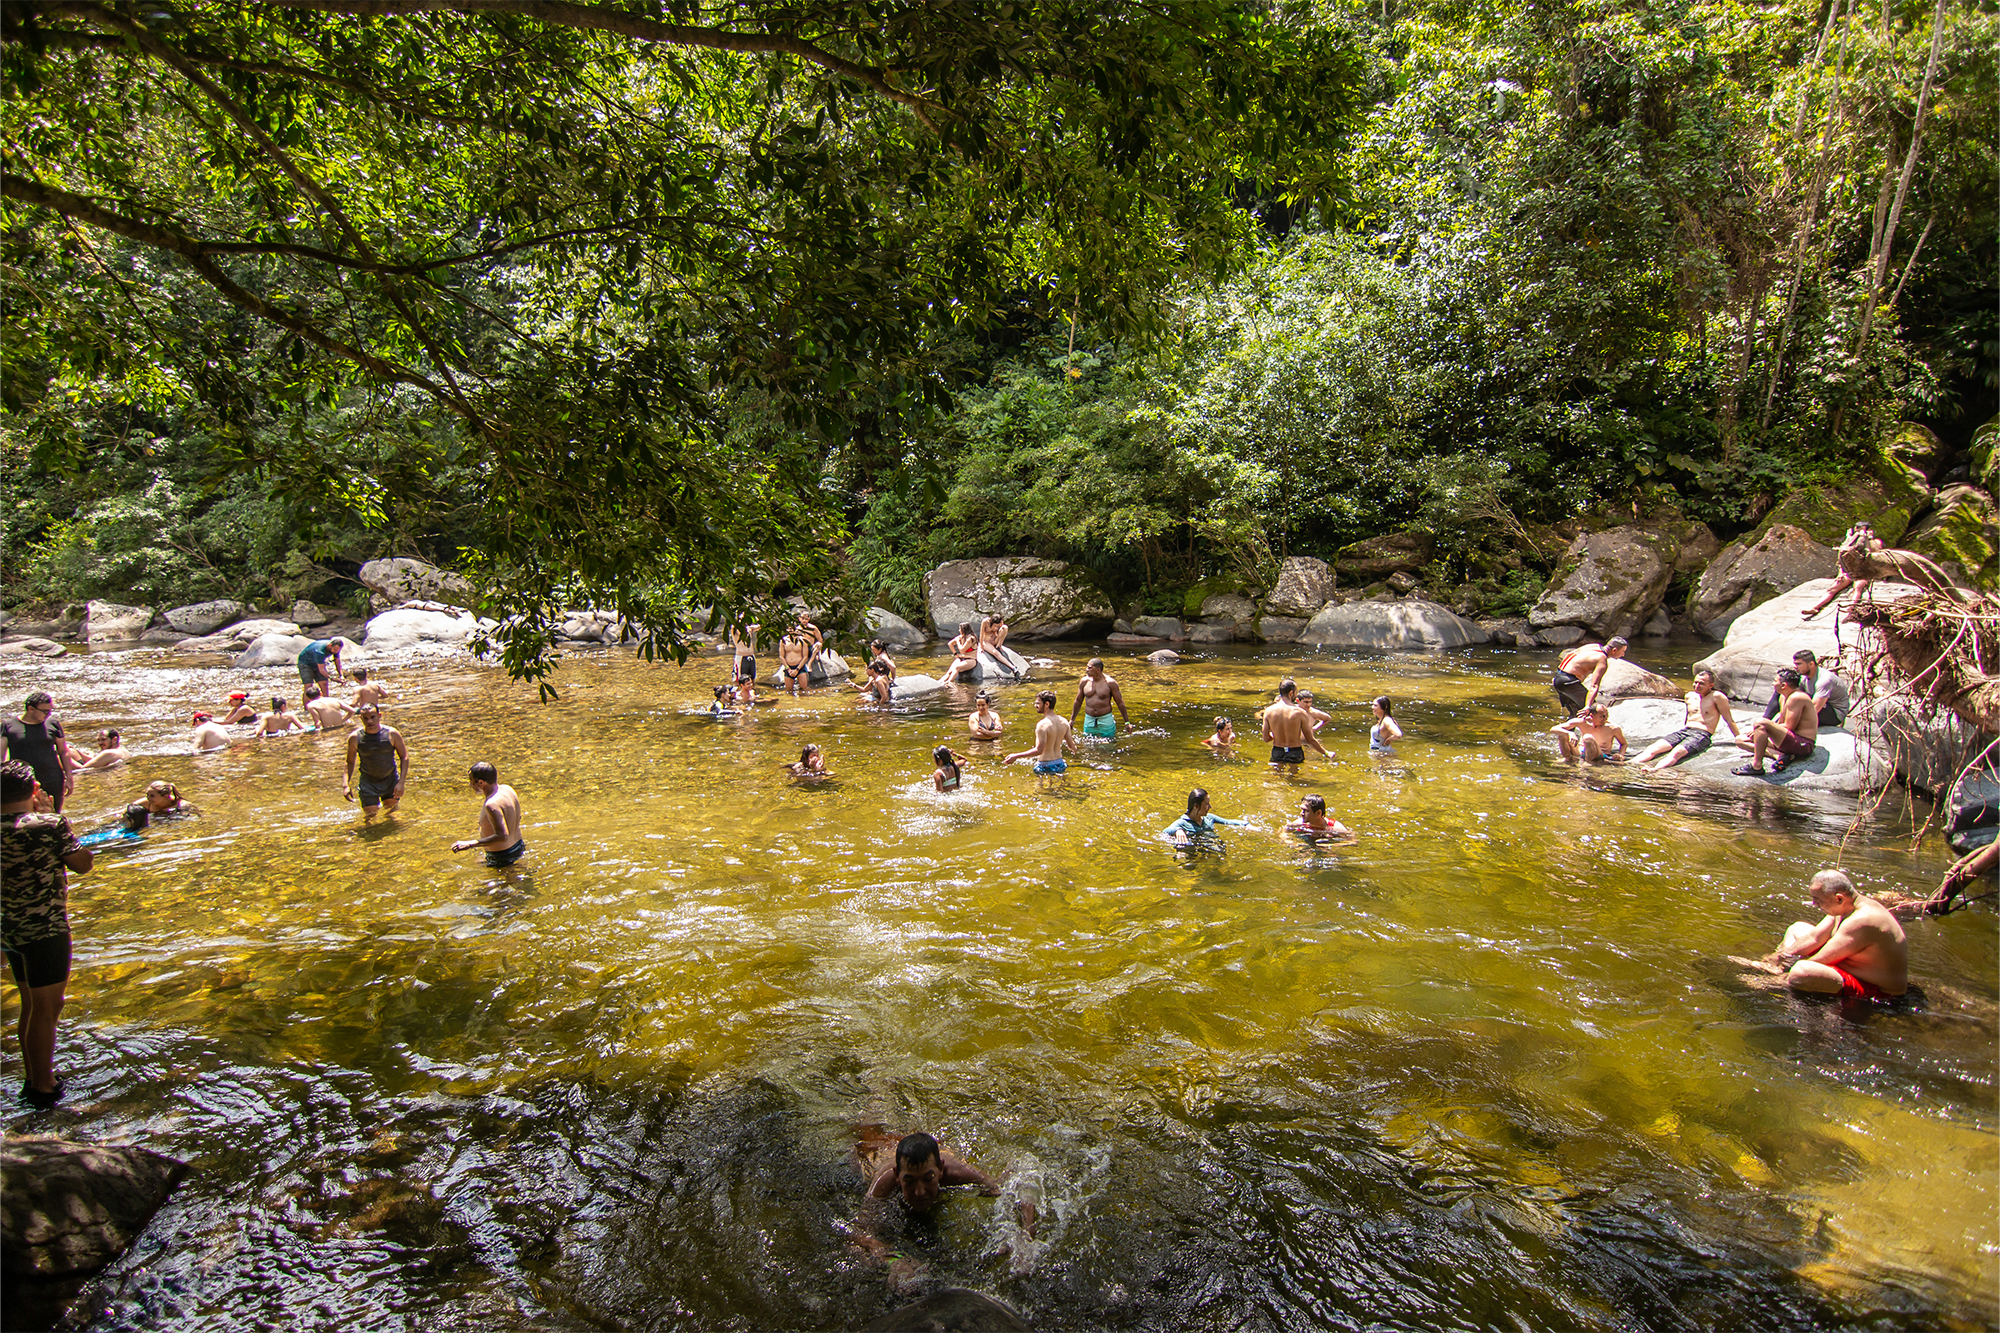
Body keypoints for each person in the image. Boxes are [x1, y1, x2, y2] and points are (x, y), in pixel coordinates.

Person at [1, 760, 93, 1109]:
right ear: (34, 789)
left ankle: (32, 1076)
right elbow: (83, 863)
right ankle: (42, 1085)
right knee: (48, 1008)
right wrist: (56, 818)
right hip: (46, 929)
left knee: (30, 1003)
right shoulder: (48, 825)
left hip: (7, 928)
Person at [851, 1129, 1034, 1258]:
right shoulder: (884, 1182)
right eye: (909, 1181)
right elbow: (859, 1235)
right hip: (876, 1149)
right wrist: (895, 1260)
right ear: (897, 1176)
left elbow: (1009, 1188)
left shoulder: (955, 1172)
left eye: (928, 1178)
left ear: (940, 1170)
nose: (920, 1191)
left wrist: (1025, 1236)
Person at [1759, 868, 1908, 1000]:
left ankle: (1776, 981)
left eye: (1818, 900)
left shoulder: (1862, 920)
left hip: (1876, 989)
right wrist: (1778, 957)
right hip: (1848, 965)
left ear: (1839, 898)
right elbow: (1814, 937)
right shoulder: (1844, 907)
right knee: (1797, 928)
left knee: (1801, 971)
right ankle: (1775, 968)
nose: (1814, 904)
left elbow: (1821, 960)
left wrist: (1771, 981)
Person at [1633, 670, 1737, 771]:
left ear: (1710, 685)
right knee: (1653, 748)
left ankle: (1654, 770)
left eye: (1701, 683)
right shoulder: (1690, 696)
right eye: (1695, 682)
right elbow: (1688, 717)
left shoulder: (1717, 697)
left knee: (1677, 752)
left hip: (1702, 734)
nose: (1697, 686)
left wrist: (1738, 738)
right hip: (1685, 731)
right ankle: (1628, 763)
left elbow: (1729, 720)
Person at [1732, 668, 1817, 775]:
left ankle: (1757, 766)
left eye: (1775, 681)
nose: (1773, 684)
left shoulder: (1797, 697)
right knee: (1740, 740)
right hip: (1788, 741)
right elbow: (1781, 722)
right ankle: (1780, 755)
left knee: (1761, 722)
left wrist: (1766, 728)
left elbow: (1789, 726)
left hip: (1802, 744)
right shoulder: (1783, 697)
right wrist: (1760, 733)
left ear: (1783, 685)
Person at [3, 692, 75, 814]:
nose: (49, 714)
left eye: (50, 711)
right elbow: (1, 756)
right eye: (45, 711)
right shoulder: (9, 725)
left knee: (54, 814)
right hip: (24, 781)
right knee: (25, 817)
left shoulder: (52, 723)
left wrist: (69, 776)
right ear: (31, 709)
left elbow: (63, 752)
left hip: (53, 778)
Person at [1800, 522, 1883, 620]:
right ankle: (1815, 608)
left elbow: (1876, 554)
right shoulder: (1850, 541)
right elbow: (1842, 559)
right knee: (1832, 589)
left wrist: (1868, 539)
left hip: (1863, 571)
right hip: (1849, 571)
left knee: (1858, 588)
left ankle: (1852, 608)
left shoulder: (1875, 541)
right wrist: (1841, 573)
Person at [451, 761, 526, 867]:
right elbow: (518, 817)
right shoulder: (508, 789)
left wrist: (470, 844)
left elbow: (502, 836)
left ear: (481, 783)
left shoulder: (491, 804)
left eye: (472, 781)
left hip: (502, 856)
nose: (470, 785)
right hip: (518, 846)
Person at [343, 704, 410, 818]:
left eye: (373, 717)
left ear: (379, 716)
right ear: (361, 718)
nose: (369, 721)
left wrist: (401, 782)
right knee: (370, 817)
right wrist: (346, 784)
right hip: (368, 783)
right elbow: (349, 761)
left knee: (392, 815)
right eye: (366, 718)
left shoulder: (391, 734)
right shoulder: (355, 737)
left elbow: (404, 757)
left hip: (390, 781)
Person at [1760, 650, 1848, 729]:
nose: (1796, 667)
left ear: (1811, 664)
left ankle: (1781, 726)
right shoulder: (1803, 676)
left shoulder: (1824, 680)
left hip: (1834, 714)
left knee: (1799, 699)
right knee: (1782, 688)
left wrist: (1786, 723)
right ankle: (1764, 720)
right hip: (1817, 706)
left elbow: (1814, 709)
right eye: (1795, 664)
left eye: (1799, 664)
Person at [1260, 679, 1330, 768]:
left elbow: (1266, 738)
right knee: (1294, 778)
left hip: (1277, 751)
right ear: (1291, 693)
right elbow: (1310, 740)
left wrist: (1277, 735)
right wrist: (1326, 753)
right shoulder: (1299, 712)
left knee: (1276, 777)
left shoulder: (1269, 711)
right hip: (1294, 751)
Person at [1003, 690, 1076, 775]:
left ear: (1047, 704)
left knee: (1041, 788)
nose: (1035, 706)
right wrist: (1075, 750)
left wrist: (1016, 756)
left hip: (1045, 766)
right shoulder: (1064, 722)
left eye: (1038, 703)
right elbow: (1071, 746)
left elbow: (1039, 750)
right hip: (1060, 763)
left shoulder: (1042, 725)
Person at [1551, 638, 1627, 716]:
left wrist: (1558, 676)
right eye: (1623, 651)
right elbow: (1594, 686)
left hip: (1559, 677)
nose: (1623, 654)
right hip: (1569, 682)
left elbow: (1569, 654)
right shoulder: (1602, 660)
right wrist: (1588, 706)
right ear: (1614, 650)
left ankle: (1566, 728)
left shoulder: (1594, 646)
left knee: (1575, 713)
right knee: (1594, 711)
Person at [1068, 659, 1129, 739]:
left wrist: (1127, 722)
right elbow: (1078, 701)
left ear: (1098, 670)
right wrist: (1072, 720)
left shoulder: (1110, 683)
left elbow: (1120, 703)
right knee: (1088, 745)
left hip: (1105, 719)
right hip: (1089, 719)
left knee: (1109, 745)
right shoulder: (1084, 682)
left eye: (1089, 668)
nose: (1087, 670)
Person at [1161, 788, 1248, 843]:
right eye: (1207, 804)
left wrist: (1247, 824)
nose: (1210, 807)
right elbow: (1164, 832)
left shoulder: (1209, 818)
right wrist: (1177, 830)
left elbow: (1229, 822)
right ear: (1196, 806)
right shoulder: (1182, 823)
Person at [1551, 704, 1626, 763]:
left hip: (1599, 754)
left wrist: (1620, 755)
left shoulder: (1613, 728)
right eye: (1602, 716)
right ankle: (1567, 758)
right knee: (1563, 735)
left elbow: (1623, 744)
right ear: (1592, 716)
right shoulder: (1582, 722)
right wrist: (1570, 733)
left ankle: (1588, 762)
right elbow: (1554, 729)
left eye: (1606, 715)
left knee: (1587, 737)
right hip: (1580, 751)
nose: (1605, 718)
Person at [1287, 794, 1353, 840]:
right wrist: (1290, 843)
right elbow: (1283, 831)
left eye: (1306, 811)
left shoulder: (1334, 827)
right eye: (1302, 810)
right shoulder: (1300, 823)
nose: (1301, 813)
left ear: (1318, 813)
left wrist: (1334, 845)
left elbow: (1352, 841)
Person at [777, 627, 814, 696]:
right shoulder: (783, 640)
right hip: (789, 667)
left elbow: (805, 657)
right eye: (789, 628)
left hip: (800, 667)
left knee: (804, 689)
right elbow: (781, 656)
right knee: (788, 690)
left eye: (792, 629)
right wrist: (788, 668)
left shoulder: (802, 640)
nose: (790, 630)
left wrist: (797, 669)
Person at [729, 622, 760, 686]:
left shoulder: (749, 629)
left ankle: (751, 693)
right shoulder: (735, 629)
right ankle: (736, 694)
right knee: (738, 679)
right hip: (741, 657)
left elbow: (759, 627)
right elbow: (733, 627)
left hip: (751, 656)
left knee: (752, 679)